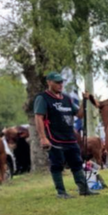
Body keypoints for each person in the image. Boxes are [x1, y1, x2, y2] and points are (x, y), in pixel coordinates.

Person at [33, 71, 99, 199]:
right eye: (57, 82)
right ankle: (61, 192)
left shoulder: (66, 99)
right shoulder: (43, 98)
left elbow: (79, 114)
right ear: (49, 82)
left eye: (61, 82)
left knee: (77, 163)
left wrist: (84, 101)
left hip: (70, 138)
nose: (60, 84)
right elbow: (38, 117)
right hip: (54, 138)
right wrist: (43, 138)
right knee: (57, 164)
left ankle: (84, 189)